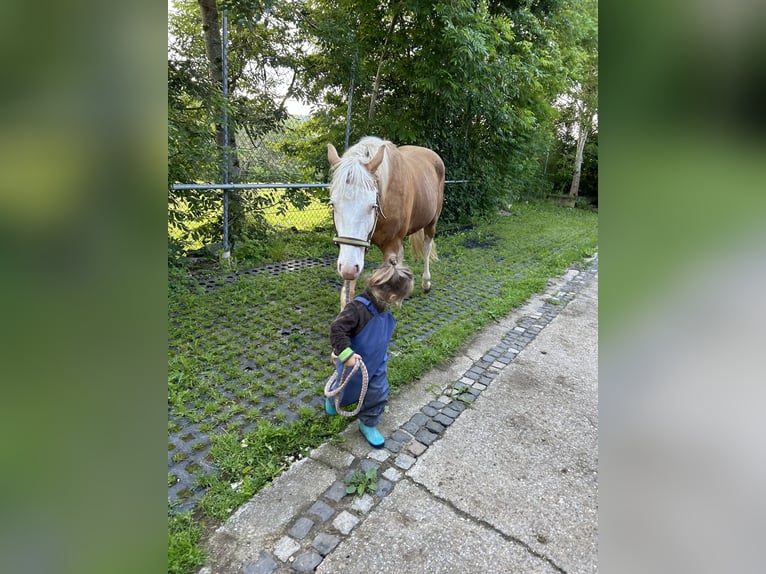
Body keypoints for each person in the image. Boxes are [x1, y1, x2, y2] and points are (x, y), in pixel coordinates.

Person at [326, 257, 414, 447]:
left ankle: (368, 423)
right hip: (354, 362)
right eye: (401, 298)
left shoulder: (382, 305)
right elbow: (337, 329)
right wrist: (346, 355)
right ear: (392, 297)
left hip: (377, 362)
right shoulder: (357, 309)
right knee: (346, 387)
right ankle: (333, 400)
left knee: (378, 392)